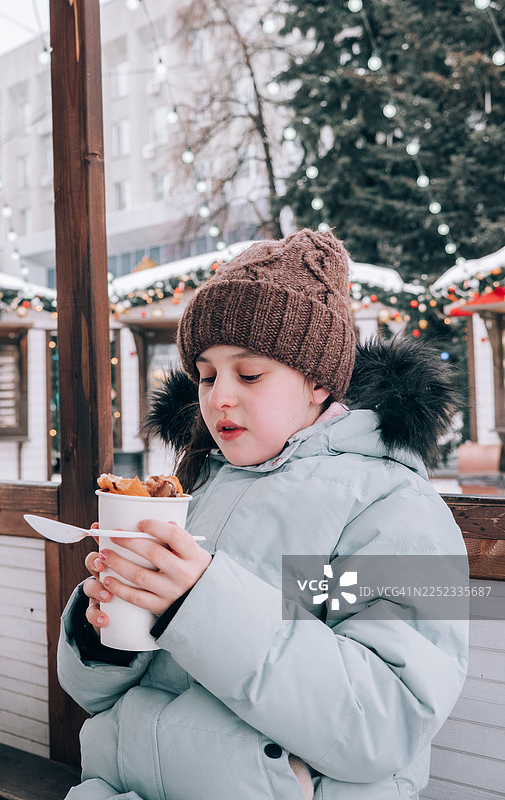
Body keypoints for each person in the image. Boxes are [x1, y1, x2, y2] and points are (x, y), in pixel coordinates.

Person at [58, 228, 469, 800]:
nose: (218, 397)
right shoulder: (194, 485)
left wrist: (198, 603)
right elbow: (93, 695)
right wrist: (106, 632)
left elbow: (387, 720)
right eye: (205, 375)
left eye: (248, 374)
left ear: (319, 383)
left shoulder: (395, 507)